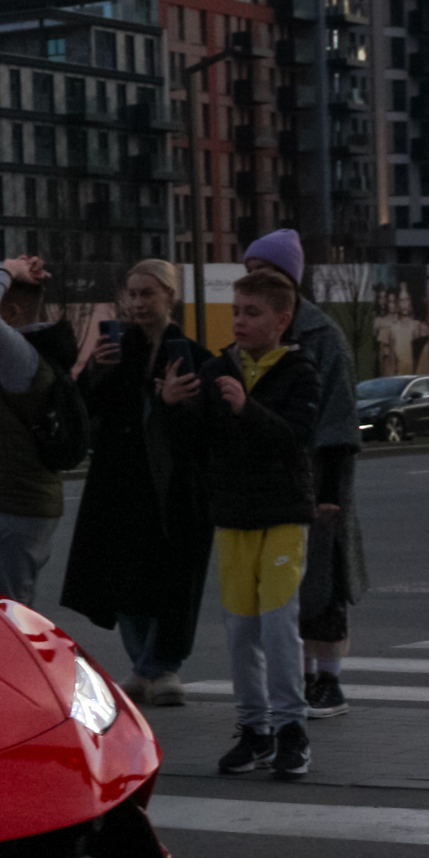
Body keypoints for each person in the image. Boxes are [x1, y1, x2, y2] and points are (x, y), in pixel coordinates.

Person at [60, 258, 215, 706]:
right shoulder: (117, 352)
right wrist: (92, 374)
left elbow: (199, 428)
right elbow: (86, 413)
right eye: (131, 293)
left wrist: (169, 403)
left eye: (148, 293)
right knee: (125, 579)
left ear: (169, 297)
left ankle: (160, 667)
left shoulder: (189, 355)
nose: (137, 303)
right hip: (120, 485)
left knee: (171, 580)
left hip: (171, 489)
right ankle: (143, 668)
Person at [200, 270, 321, 779]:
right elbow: (198, 440)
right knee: (240, 632)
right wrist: (171, 407)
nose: (240, 321)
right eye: (237, 311)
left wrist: (248, 409)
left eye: (252, 313)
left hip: (283, 515)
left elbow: (296, 438)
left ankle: (291, 727)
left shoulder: (301, 372)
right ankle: (254, 730)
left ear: (282, 319)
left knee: (277, 625)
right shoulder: (217, 369)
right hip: (233, 516)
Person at [242, 229, 363, 719]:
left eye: (262, 271)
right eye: (249, 271)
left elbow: (338, 420)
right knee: (284, 585)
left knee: (322, 579)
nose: (253, 280)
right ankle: (303, 676)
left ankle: (329, 682)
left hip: (315, 476)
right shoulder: (259, 332)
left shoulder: (322, 336)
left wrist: (330, 490)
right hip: (270, 477)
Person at [0, 254, 72, 601]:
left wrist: (8, 268)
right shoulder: (34, 355)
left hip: (10, 509)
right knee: (15, 612)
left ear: (13, 315)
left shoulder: (18, 357)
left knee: (8, 621)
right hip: (20, 506)